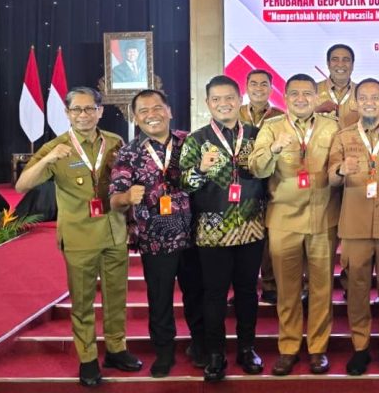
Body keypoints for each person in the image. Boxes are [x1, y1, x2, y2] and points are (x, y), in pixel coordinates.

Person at [16, 87, 141, 387]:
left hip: (114, 233)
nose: (83, 115)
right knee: (83, 303)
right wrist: (48, 160)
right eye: (76, 110)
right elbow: (22, 185)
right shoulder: (56, 146)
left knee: (116, 298)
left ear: (100, 111)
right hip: (79, 237)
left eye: (89, 109)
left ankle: (116, 349)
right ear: (67, 113)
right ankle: (87, 358)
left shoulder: (114, 141)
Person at [109, 89, 205, 378]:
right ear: (135, 118)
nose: (151, 115)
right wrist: (127, 197)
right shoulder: (129, 153)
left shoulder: (191, 142)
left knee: (197, 294)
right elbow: (114, 199)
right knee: (160, 299)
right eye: (143, 111)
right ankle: (164, 352)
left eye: (157, 108)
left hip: (195, 235)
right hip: (155, 239)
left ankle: (200, 346)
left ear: (169, 111)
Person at [249, 74, 340, 376]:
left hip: (322, 217)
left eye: (307, 94)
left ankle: (318, 348)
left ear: (316, 96)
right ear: (285, 97)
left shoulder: (331, 126)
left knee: (321, 289)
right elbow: (256, 168)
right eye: (295, 94)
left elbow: (338, 168)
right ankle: (288, 348)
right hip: (284, 219)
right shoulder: (272, 127)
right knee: (287, 290)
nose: (301, 99)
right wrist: (274, 149)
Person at [179, 75, 266, 382]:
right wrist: (201, 169)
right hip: (212, 229)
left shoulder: (256, 135)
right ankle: (215, 354)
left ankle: (247, 348)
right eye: (216, 99)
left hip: (251, 226)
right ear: (208, 103)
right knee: (214, 294)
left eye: (229, 97)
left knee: (247, 292)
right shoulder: (197, 139)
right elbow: (184, 185)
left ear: (239, 99)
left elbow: (268, 175)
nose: (223, 104)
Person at [328, 78, 379, 376]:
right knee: (357, 289)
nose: (370, 103)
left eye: (375, 97)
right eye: (363, 97)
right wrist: (340, 170)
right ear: (355, 102)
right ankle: (360, 347)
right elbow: (330, 177)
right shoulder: (342, 136)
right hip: (355, 226)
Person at [238, 69, 285, 305]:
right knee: (242, 235)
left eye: (264, 84)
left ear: (271, 88)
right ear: (246, 87)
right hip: (240, 182)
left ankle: (270, 285)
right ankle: (242, 288)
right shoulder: (234, 113)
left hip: (271, 181)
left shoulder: (280, 117)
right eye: (254, 83)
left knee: (269, 237)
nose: (258, 88)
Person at [315, 44, 359, 128]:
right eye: (335, 59)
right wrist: (316, 110)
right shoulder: (313, 90)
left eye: (346, 60)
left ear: (352, 65)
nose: (340, 64)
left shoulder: (363, 93)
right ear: (328, 64)